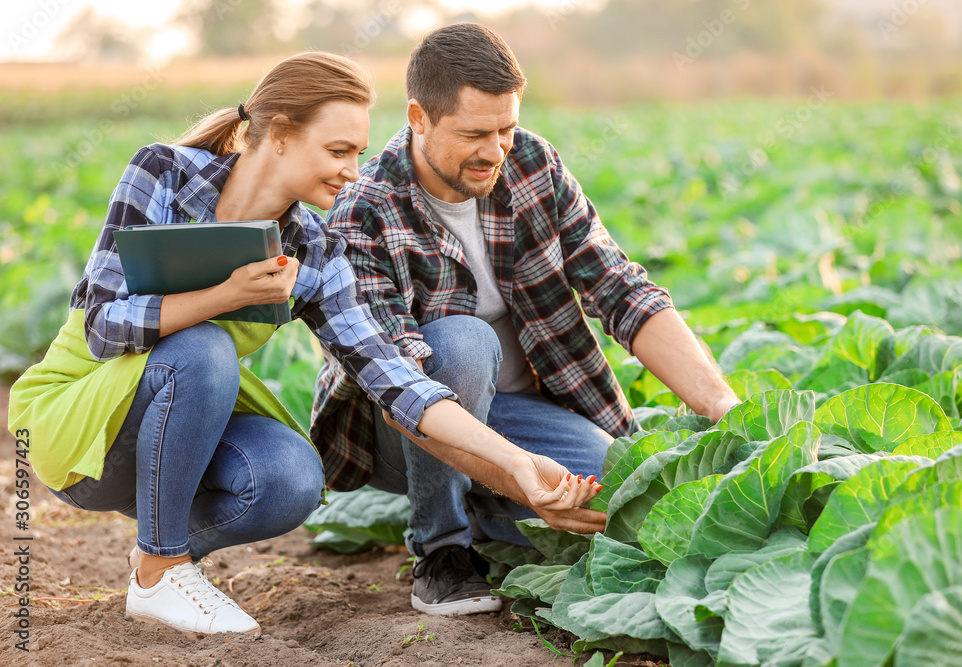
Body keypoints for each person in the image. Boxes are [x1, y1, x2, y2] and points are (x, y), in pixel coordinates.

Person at [8, 51, 601, 636]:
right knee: (205, 347)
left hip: (182, 422)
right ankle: (163, 573)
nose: (353, 171)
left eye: (360, 154)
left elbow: (395, 377)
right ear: (283, 136)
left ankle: (154, 558)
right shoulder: (165, 172)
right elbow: (102, 324)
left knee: (292, 479)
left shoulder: (315, 249)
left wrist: (519, 466)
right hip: (77, 417)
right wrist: (223, 295)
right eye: (338, 151)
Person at [317, 23, 743, 617]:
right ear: (419, 117)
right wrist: (518, 475)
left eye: (506, 129)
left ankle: (489, 504)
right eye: (474, 133)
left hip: (525, 411)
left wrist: (722, 408)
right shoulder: (363, 208)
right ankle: (442, 550)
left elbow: (619, 287)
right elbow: (396, 380)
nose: (496, 150)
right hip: (401, 422)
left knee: (613, 510)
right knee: (462, 341)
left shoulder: (533, 164)